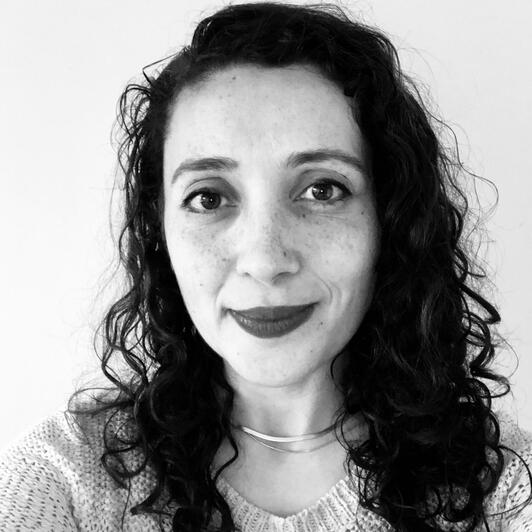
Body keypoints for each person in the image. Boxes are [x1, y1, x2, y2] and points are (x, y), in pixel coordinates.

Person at [1, 2, 531, 531]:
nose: (265, 261)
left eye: (322, 190)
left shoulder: (506, 486)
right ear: (160, 232)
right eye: (209, 198)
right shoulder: (63, 478)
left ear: (388, 220)